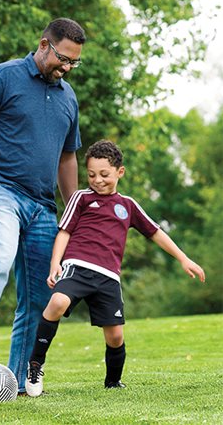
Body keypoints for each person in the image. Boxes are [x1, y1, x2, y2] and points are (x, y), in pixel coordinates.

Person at [0, 18, 86, 395]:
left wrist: (71, 214)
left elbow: (67, 158)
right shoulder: (2, 77)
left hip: (42, 206)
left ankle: (21, 379)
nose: (67, 67)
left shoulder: (68, 97)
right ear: (43, 44)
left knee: (41, 295)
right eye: (62, 58)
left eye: (74, 62)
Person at [25, 139, 206, 397]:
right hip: (78, 267)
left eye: (104, 174)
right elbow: (64, 232)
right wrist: (56, 263)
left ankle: (113, 382)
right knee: (57, 302)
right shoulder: (81, 198)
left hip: (108, 278)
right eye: (91, 174)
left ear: (120, 172)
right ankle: (35, 366)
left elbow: (155, 232)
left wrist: (183, 258)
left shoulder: (128, 206)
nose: (97, 180)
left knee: (115, 337)